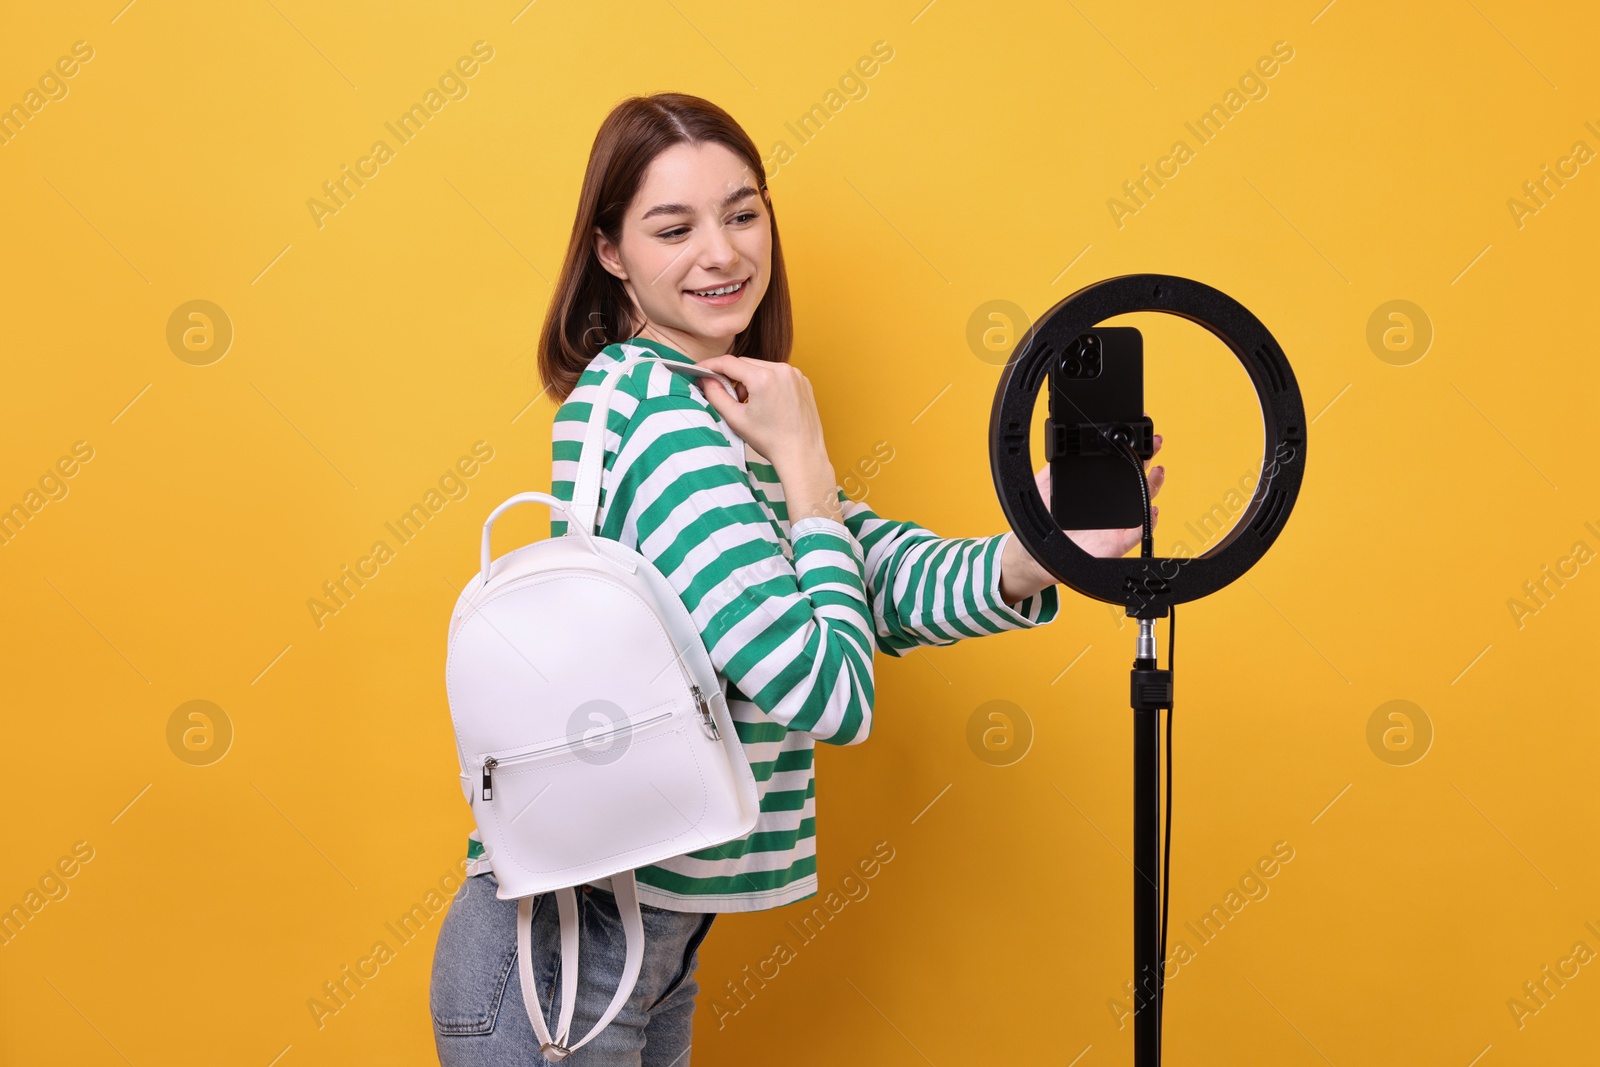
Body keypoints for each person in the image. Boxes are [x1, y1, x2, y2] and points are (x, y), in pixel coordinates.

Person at [429, 91, 1166, 1067]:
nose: (722, 251)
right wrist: (806, 469)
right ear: (610, 252)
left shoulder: (718, 405)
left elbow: (861, 571)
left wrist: (1033, 547)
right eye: (673, 226)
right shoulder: (657, 411)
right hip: (565, 955)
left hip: (638, 940)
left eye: (742, 212)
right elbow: (826, 687)